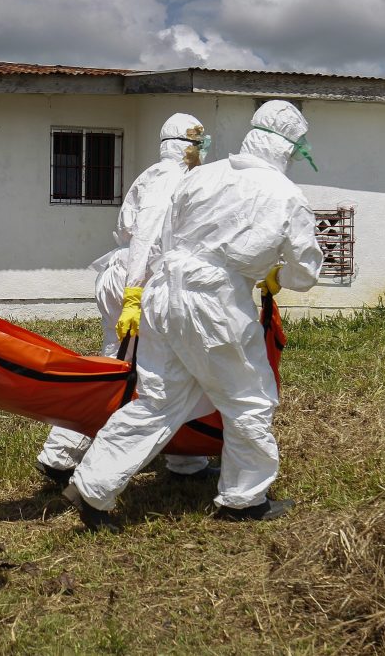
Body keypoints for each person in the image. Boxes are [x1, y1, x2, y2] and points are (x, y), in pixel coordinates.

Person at [62, 101, 324, 532]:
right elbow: (305, 272)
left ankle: (92, 487)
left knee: (156, 400)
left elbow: (165, 237)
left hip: (164, 294)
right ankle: (244, 500)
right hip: (216, 302)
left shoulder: (203, 174)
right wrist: (276, 274)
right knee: (248, 400)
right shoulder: (285, 194)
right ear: (288, 148)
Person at [36, 113, 215, 486]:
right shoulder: (171, 177)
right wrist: (135, 291)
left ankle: (187, 461)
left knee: (141, 366)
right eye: (199, 142)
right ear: (185, 145)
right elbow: (146, 233)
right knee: (129, 371)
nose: (203, 149)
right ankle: (61, 455)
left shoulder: (157, 173)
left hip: (135, 277)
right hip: (141, 280)